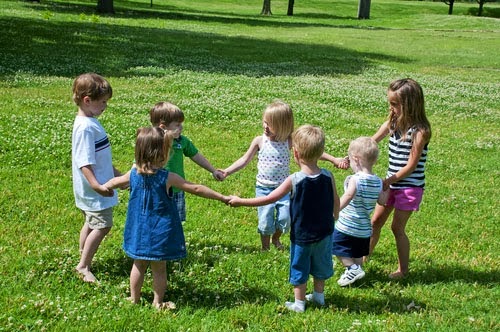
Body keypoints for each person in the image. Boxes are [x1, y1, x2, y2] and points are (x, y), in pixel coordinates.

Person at [104, 127, 230, 309]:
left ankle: (134, 299)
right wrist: (222, 197)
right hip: (160, 232)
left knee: (138, 264)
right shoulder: (167, 177)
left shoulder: (132, 174)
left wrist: (102, 187)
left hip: (138, 230)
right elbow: (195, 188)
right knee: (159, 268)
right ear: (162, 154)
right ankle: (158, 301)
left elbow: (114, 183)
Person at [229, 125, 340, 313]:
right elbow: (336, 203)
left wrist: (241, 201)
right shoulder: (328, 176)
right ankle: (319, 297)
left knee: (300, 265)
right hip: (325, 232)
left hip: (303, 235)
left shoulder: (294, 179)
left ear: (295, 154)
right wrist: (333, 220)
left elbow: (268, 198)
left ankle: (299, 304)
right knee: (321, 264)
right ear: (320, 152)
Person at [222, 101, 345, 251]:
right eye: (265, 122)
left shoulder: (288, 141)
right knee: (265, 221)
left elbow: (311, 151)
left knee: (286, 219)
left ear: (283, 126)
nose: (265, 127)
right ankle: (265, 247)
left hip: (284, 189)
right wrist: (227, 171)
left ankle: (276, 238)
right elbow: (244, 160)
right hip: (263, 188)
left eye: (270, 124)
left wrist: (333, 159)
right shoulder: (260, 141)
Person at [368, 78, 431, 279]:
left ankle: (403, 271)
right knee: (375, 222)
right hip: (391, 184)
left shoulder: (420, 131)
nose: (391, 107)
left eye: (395, 104)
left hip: (409, 187)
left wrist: (388, 181)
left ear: (410, 104)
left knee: (397, 228)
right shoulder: (392, 123)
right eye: (390, 103)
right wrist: (356, 153)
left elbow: (411, 166)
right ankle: (362, 259)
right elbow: (372, 141)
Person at [71, 73, 122, 283]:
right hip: (95, 189)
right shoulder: (85, 128)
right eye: (102, 102)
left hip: (94, 186)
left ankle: (84, 254)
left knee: (91, 223)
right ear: (87, 100)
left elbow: (98, 157)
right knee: (102, 225)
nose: (105, 107)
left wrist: (116, 174)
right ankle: (83, 266)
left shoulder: (89, 122)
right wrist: (96, 185)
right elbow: (84, 161)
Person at [149, 101, 224, 222]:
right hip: (156, 190)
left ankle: (174, 240)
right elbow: (139, 162)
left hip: (177, 189)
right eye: (177, 125)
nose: (181, 128)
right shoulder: (151, 142)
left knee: (176, 221)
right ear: (163, 127)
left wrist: (213, 170)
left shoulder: (181, 141)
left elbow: (196, 155)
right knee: (157, 220)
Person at [332, 137, 388, 287]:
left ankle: (352, 268)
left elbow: (348, 196)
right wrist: (387, 189)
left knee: (334, 245)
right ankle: (357, 276)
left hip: (347, 225)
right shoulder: (378, 182)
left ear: (355, 159)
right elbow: (382, 201)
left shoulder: (355, 180)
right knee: (357, 253)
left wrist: (335, 210)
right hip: (364, 230)